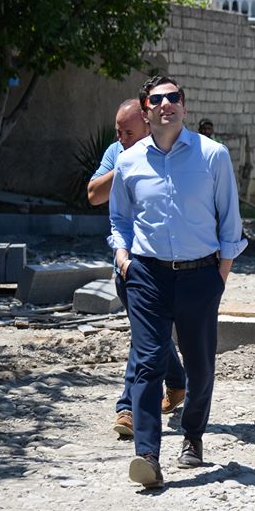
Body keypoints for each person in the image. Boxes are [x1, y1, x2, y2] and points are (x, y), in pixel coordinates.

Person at [110, 75, 246, 489]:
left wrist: (221, 273)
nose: (166, 104)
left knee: (200, 367)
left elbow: (230, 219)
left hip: (200, 275)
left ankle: (192, 435)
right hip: (146, 276)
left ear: (183, 106)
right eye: (157, 99)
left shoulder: (212, 155)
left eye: (174, 97)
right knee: (148, 362)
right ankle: (147, 455)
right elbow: (120, 217)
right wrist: (123, 256)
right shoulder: (129, 161)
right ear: (145, 111)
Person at [86, 100, 187, 436]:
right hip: (126, 261)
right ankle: (177, 381)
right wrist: (128, 164)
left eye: (128, 132)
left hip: (161, 262)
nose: (121, 138)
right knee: (150, 333)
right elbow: (93, 194)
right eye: (118, 131)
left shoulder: (172, 154)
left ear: (147, 125)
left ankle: (128, 408)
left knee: (144, 336)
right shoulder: (118, 153)